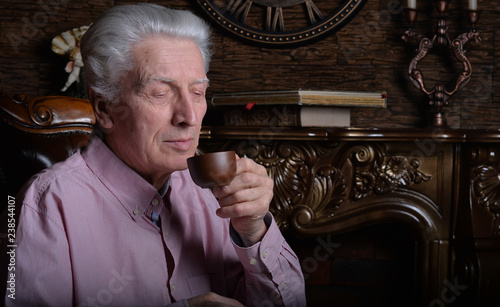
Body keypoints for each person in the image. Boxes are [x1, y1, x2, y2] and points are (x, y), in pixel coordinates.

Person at [4, 3, 306, 307]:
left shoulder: (216, 194)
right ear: (104, 108)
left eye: (198, 93)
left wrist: (254, 231)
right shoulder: (46, 205)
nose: (188, 115)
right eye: (160, 93)